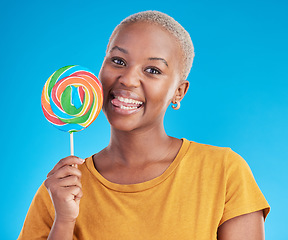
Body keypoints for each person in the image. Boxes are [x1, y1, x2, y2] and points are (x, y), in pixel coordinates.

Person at [18, 10, 270, 240]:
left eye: (153, 70)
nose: (128, 79)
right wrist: (64, 220)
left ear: (178, 92)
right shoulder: (61, 188)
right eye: (118, 61)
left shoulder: (224, 171)